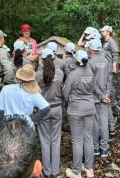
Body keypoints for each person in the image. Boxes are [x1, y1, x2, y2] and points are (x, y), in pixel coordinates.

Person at [63, 50, 96, 178]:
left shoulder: (72, 75)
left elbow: (65, 94)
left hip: (76, 109)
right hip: (89, 107)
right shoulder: (91, 72)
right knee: (88, 137)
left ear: (76, 60)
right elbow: (92, 89)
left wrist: (71, 99)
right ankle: (89, 169)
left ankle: (76, 172)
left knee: (77, 140)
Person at [36, 48, 64, 178]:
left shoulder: (38, 74)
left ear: (42, 60)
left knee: (44, 140)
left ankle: (46, 171)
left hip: (43, 109)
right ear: (53, 58)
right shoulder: (60, 73)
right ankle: (55, 171)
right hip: (57, 108)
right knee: (55, 139)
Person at [88, 39, 110, 158]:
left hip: (95, 97)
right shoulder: (106, 61)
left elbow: (91, 83)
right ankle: (105, 149)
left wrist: (101, 96)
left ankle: (96, 148)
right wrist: (106, 94)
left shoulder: (90, 62)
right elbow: (109, 79)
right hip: (105, 96)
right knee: (104, 122)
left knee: (95, 123)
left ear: (91, 49)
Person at [100, 25, 120, 135]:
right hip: (104, 66)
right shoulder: (105, 42)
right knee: (108, 85)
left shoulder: (111, 41)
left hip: (109, 67)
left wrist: (114, 66)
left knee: (109, 85)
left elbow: (115, 54)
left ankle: (113, 104)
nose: (102, 32)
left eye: (103, 31)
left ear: (108, 31)